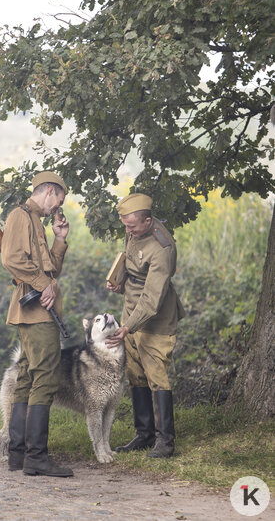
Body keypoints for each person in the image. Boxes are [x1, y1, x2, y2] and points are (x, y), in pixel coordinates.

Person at [1, 171, 73, 477]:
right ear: (50, 191)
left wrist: (59, 239)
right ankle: (36, 457)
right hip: (36, 312)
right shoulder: (20, 216)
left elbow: (50, 270)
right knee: (46, 377)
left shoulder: (36, 222)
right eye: (60, 199)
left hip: (38, 310)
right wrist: (44, 284)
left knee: (29, 377)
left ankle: (18, 454)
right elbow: (11, 258)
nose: (59, 206)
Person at [106, 193, 185, 458]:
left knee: (156, 376)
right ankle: (144, 435)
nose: (127, 231)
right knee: (135, 373)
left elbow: (152, 299)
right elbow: (132, 266)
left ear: (148, 221)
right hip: (129, 314)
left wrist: (128, 326)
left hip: (155, 320)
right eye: (125, 226)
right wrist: (119, 282)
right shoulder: (134, 231)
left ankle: (165, 442)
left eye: (132, 226)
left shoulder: (163, 247)